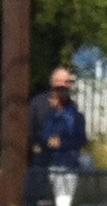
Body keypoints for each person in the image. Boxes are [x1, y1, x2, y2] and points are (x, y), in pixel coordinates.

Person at [28, 66, 90, 198]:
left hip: (64, 160)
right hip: (44, 159)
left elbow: (79, 137)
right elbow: (31, 129)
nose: (70, 85)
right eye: (67, 82)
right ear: (56, 82)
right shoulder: (39, 103)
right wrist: (37, 144)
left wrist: (62, 143)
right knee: (40, 195)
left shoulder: (72, 111)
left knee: (62, 198)